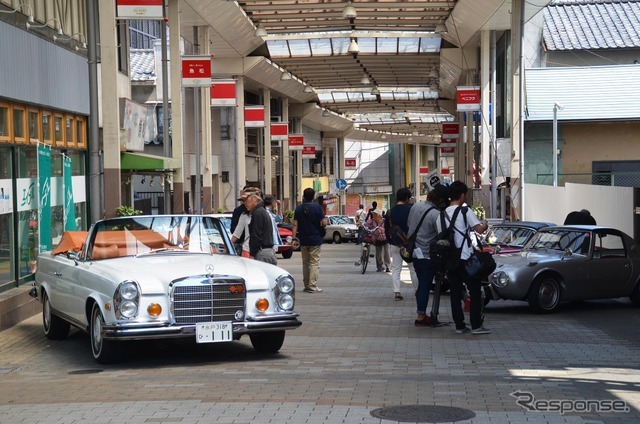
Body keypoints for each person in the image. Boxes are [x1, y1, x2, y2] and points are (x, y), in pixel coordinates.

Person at [444, 180, 490, 335]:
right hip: (465, 258)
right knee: (475, 291)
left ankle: (459, 326)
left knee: (455, 293)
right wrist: (485, 224)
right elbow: (480, 230)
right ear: (462, 195)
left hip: (450, 260)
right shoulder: (464, 211)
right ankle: (476, 325)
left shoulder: (442, 214)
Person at [406, 184, 450, 326]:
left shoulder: (416, 206)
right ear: (441, 200)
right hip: (426, 254)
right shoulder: (435, 214)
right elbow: (442, 233)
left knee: (421, 284)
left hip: (414, 252)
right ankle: (421, 316)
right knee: (425, 285)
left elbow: (409, 225)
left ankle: (421, 313)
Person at [291, 188, 327, 293]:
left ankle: (306, 285)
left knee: (305, 263)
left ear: (303, 196)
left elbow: (295, 224)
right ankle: (312, 285)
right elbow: (324, 222)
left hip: (304, 240)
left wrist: (293, 238)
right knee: (314, 262)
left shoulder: (298, 209)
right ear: (313, 197)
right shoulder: (318, 208)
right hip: (315, 239)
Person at [385, 187, 418, 301]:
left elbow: (386, 230)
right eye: (409, 198)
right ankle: (417, 291)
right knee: (412, 268)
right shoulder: (411, 210)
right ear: (406, 198)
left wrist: (392, 242)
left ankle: (397, 292)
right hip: (409, 244)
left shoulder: (390, 212)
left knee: (396, 268)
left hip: (395, 244)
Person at [244, 193, 277, 265]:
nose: (246, 204)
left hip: (262, 253)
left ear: (255, 201)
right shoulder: (262, 211)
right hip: (268, 251)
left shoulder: (257, 213)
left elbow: (256, 235)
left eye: (247, 202)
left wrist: (252, 254)